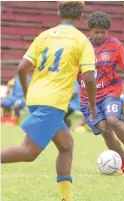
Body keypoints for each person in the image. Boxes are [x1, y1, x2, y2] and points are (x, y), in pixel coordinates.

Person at [1, 2, 97, 201]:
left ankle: (66, 197)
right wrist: (93, 105)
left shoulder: (44, 35)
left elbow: (21, 68)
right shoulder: (82, 41)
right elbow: (89, 78)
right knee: (28, 152)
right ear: (81, 17)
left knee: (66, 145)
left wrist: (28, 93)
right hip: (53, 102)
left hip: (37, 97)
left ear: (58, 13)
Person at [77, 11, 124, 176]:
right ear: (90, 30)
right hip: (87, 98)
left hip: (109, 92)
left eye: (103, 32)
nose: (99, 35)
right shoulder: (80, 47)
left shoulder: (115, 45)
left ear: (108, 31)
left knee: (112, 120)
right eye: (96, 31)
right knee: (104, 129)